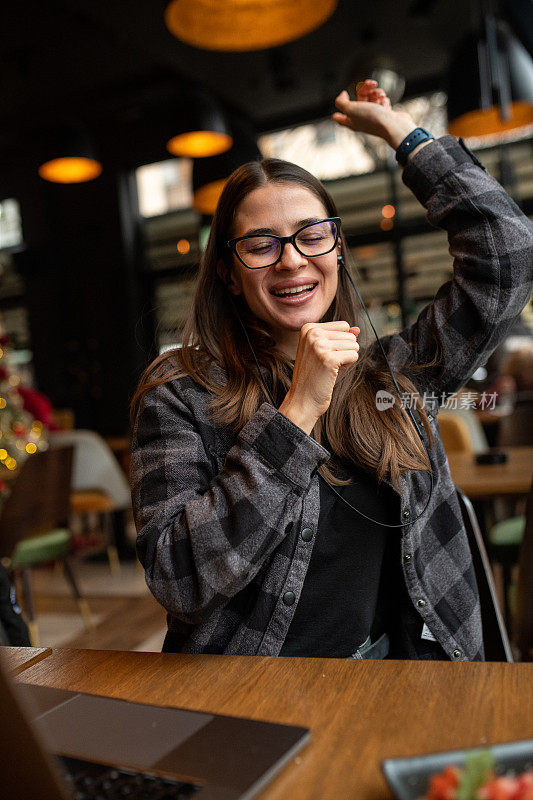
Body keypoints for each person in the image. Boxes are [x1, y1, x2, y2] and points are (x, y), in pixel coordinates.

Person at [130, 80, 533, 661]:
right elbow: (179, 579)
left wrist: (404, 135)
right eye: (261, 244)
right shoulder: (179, 395)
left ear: (337, 249)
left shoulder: (395, 376)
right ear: (226, 270)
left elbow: (509, 255)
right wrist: (295, 414)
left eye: (311, 236)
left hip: (405, 678)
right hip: (253, 695)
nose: (292, 259)